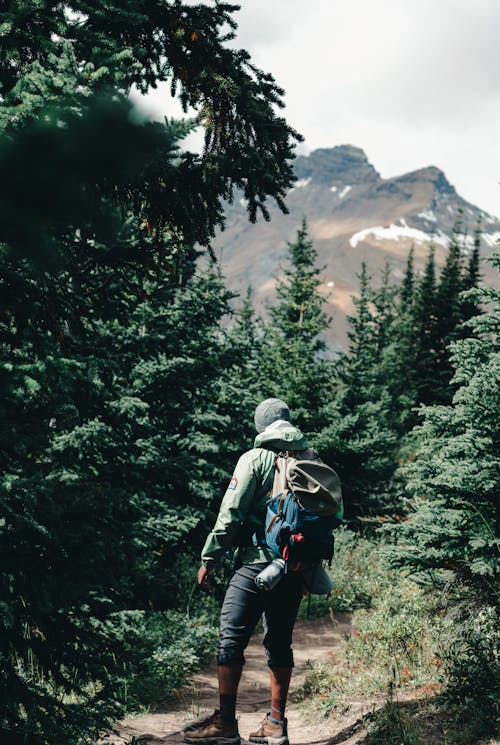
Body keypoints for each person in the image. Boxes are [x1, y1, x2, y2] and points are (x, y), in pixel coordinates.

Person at [183, 398, 312, 745]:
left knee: (231, 638)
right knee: (279, 643)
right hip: (292, 567)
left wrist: (209, 558)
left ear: (261, 426)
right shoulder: (311, 459)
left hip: (256, 563)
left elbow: (231, 515)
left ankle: (225, 723)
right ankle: (276, 723)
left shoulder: (254, 459)